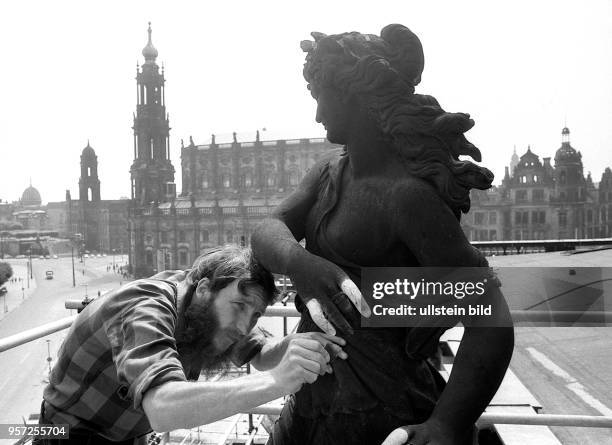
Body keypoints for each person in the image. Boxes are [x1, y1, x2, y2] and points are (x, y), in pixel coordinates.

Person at [251, 24, 514, 445]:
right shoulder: (327, 172)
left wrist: (447, 423)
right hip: (312, 400)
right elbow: (265, 228)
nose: (318, 115)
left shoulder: (406, 198)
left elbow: (491, 320)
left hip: (382, 411)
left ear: (353, 94)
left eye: (321, 98)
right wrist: (298, 262)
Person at [34, 244, 347, 445]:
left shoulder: (207, 309)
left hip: (125, 436)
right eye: (239, 307)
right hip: (63, 433)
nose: (243, 326)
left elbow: (261, 353)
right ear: (204, 288)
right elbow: (163, 407)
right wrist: (278, 381)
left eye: (254, 316)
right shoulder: (144, 306)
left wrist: (297, 344)